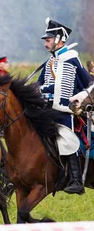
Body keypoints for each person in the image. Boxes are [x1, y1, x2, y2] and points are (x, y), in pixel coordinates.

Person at [37, 18, 91, 194]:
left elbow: (87, 84)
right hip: (47, 107)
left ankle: (76, 180)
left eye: (48, 40)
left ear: (60, 39)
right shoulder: (49, 63)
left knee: (67, 137)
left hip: (67, 109)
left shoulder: (71, 59)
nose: (46, 43)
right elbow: (39, 85)